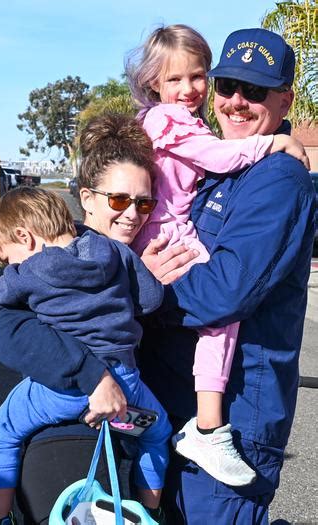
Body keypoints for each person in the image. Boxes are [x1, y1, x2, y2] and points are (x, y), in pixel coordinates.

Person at [135, 27, 316, 524]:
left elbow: (223, 292)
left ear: (285, 99)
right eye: (227, 86)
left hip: (232, 421)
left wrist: (141, 290)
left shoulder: (279, 178)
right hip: (173, 402)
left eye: (254, 91)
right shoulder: (218, 166)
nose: (236, 102)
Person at [0, 120, 170, 525]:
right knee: (156, 433)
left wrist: (7, 286)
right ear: (84, 199)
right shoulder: (114, 253)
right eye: (119, 200)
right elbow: (152, 299)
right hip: (128, 382)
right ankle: (151, 509)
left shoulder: (31, 269)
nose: (133, 214)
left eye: (6, 257)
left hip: (61, 392)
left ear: (25, 238)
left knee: (0, 432)